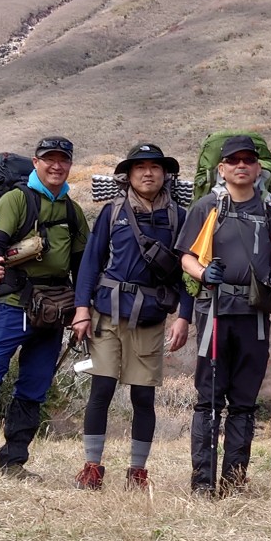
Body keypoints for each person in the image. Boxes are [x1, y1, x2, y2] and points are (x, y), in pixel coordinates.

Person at [0, 136, 88, 478]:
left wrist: (84, 308)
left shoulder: (73, 211)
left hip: (53, 310)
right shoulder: (17, 199)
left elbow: (82, 265)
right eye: (49, 159)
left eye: (63, 160)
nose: (56, 166)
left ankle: (13, 461)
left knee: (35, 385)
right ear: (36, 162)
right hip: (14, 304)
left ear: (70, 165)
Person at [71, 143, 193, 490]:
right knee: (101, 389)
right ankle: (92, 467)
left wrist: (184, 316)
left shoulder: (179, 217)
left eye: (155, 167)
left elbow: (187, 270)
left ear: (165, 174)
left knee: (143, 396)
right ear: (129, 174)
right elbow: (92, 261)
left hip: (150, 317)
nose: (148, 173)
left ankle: (138, 471)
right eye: (140, 167)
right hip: (107, 313)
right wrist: (81, 309)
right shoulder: (112, 212)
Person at [176, 135, 271, 495]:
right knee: (209, 398)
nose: (242, 165)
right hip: (215, 309)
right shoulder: (207, 207)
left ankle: (234, 479)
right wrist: (203, 274)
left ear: (258, 168)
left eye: (248, 160)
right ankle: (203, 482)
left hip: (255, 312)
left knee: (244, 399)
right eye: (234, 161)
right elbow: (186, 257)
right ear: (221, 168)